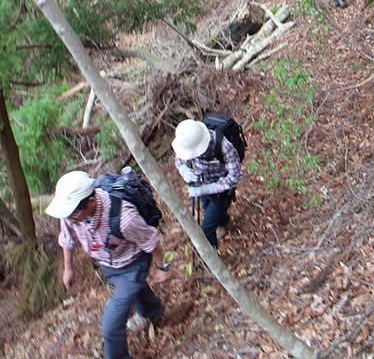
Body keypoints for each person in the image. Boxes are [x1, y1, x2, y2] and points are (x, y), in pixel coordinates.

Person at [46, 170, 167, 359]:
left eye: (72, 213)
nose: (68, 218)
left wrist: (163, 267)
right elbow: (67, 238)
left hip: (133, 264)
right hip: (107, 263)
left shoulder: (124, 217)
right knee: (136, 290)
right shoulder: (72, 212)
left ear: (91, 202)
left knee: (111, 326)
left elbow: (150, 240)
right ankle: (152, 310)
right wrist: (68, 268)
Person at [173, 119, 242, 250]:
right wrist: (183, 169)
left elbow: (234, 176)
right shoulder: (187, 141)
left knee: (206, 230)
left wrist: (207, 189)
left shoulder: (224, 146)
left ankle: (212, 255)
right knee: (206, 207)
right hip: (201, 183)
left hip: (222, 192)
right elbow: (179, 158)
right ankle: (223, 222)